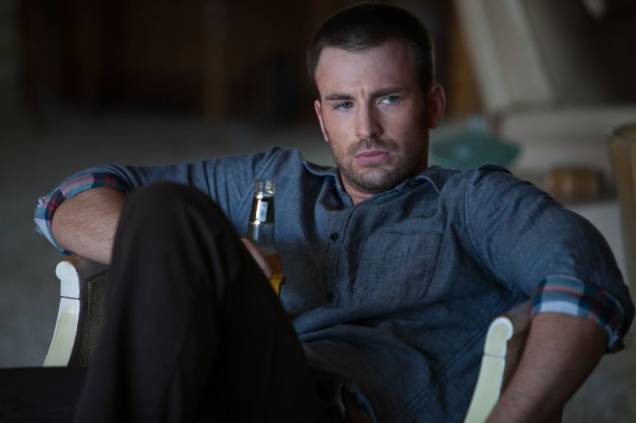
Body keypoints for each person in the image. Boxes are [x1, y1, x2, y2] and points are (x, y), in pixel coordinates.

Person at [2, 2, 633, 422]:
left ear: (435, 106)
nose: (367, 128)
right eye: (343, 104)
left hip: (326, 406)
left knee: (168, 210)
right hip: (204, 391)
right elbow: (70, 198)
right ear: (321, 118)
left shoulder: (471, 201)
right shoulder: (273, 181)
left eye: (390, 98)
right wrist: (203, 255)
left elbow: (586, 284)